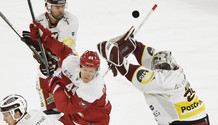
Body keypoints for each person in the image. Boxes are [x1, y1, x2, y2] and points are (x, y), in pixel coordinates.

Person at [97, 27, 210, 125]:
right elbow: (153, 57)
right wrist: (135, 46)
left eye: (155, 68)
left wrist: (119, 61)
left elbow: (134, 73)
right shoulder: (174, 70)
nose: (153, 69)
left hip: (186, 122)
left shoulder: (162, 81)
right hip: (196, 118)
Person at [29, 21, 112, 124]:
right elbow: (62, 50)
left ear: (97, 71)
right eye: (85, 69)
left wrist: (55, 84)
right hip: (74, 116)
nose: (87, 74)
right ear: (80, 66)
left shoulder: (92, 88)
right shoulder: (72, 63)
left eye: (91, 71)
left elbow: (65, 107)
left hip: (93, 121)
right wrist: (44, 37)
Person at [22, 0, 79, 114]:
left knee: (73, 108)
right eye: (57, 7)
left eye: (62, 6)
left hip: (68, 66)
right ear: (48, 7)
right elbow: (38, 51)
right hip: (48, 65)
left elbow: (60, 48)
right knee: (51, 112)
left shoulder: (71, 21)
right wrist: (38, 52)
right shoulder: (39, 20)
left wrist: (45, 51)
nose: (61, 10)